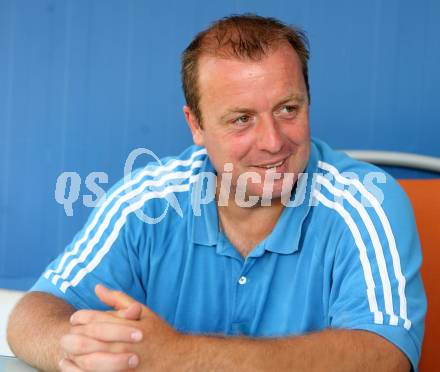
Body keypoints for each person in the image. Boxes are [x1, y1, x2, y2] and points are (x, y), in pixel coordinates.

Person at [7, 14, 426, 372]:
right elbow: (32, 314)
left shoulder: (368, 200)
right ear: (196, 126)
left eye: (288, 109)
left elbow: (384, 355)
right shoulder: (147, 200)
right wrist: (87, 348)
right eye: (241, 119)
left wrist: (179, 357)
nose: (273, 141)